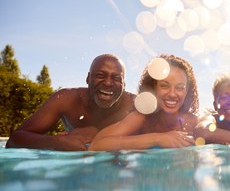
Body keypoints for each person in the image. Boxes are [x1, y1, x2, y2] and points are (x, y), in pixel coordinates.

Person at [6, 53, 136, 151]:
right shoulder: (66, 100)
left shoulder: (134, 105)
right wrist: (58, 143)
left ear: (124, 84)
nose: (108, 83)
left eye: (116, 78)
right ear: (88, 78)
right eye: (100, 75)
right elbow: (14, 140)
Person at [88, 54, 199, 151]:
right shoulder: (142, 118)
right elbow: (96, 145)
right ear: (154, 88)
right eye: (164, 86)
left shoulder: (192, 122)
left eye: (180, 88)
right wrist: (158, 139)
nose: (172, 94)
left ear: (187, 91)